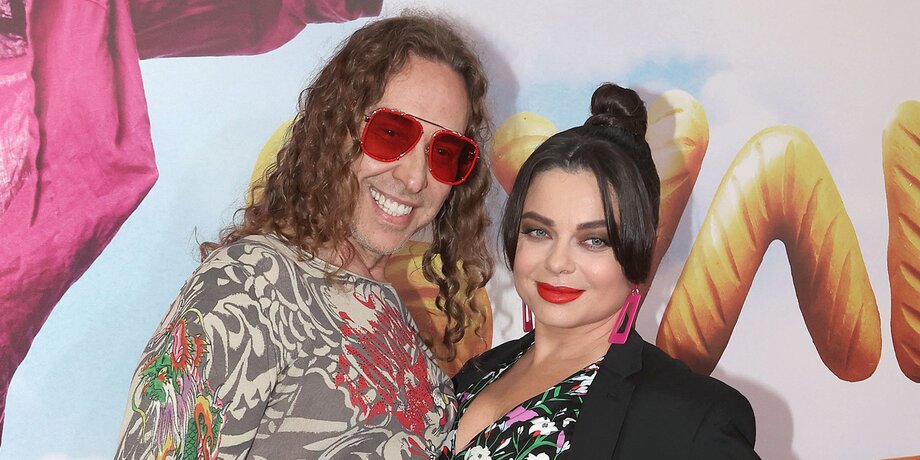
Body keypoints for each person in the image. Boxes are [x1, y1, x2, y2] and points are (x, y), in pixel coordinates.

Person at [115, 13, 493, 459]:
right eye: (391, 133)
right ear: (335, 128)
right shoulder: (249, 287)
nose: (414, 177)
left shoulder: (391, 313)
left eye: (445, 152)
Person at [438, 83, 758, 459]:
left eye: (594, 240)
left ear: (640, 247)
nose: (557, 262)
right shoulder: (477, 373)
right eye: (539, 232)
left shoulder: (691, 418)